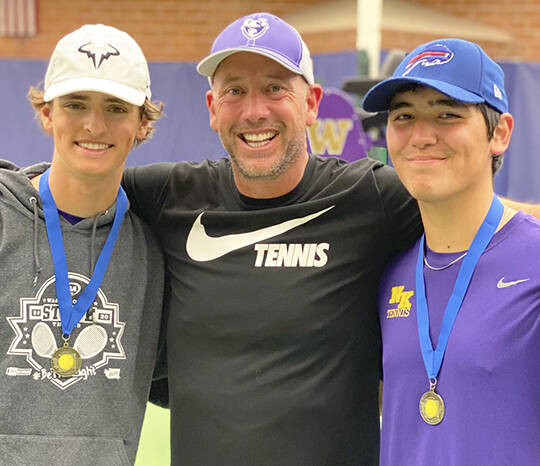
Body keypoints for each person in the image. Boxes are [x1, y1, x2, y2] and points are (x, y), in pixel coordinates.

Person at [123, 13, 539, 465]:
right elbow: (68, 192)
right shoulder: (167, 196)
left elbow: (468, 202)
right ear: (211, 108)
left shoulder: (371, 199)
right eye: (235, 91)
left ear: (312, 103)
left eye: (276, 88)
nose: (254, 110)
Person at [362, 38, 540, 465]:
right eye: (404, 115)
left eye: (447, 114)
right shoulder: (385, 269)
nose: (421, 136)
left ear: (499, 133)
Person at [0, 24, 164, 465]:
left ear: (142, 124)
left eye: (115, 108)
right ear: (48, 113)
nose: (94, 125)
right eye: (76, 104)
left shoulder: (153, 249)